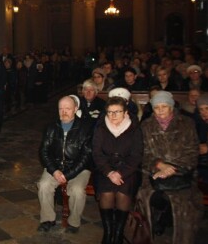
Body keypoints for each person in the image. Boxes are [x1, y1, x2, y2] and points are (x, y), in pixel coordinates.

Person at [138, 91, 202, 243]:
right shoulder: (146, 125)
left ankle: (180, 236)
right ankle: (152, 229)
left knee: (184, 204)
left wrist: (171, 170)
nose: (160, 111)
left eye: (164, 107)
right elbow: (142, 152)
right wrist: (159, 165)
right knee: (150, 196)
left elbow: (192, 152)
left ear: (171, 107)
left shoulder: (187, 124)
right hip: (152, 173)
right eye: (156, 107)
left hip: (182, 174)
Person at [37, 95, 93, 233]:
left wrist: (68, 175)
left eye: (67, 108)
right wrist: (54, 170)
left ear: (75, 109)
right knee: (43, 185)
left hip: (78, 168)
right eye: (61, 108)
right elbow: (44, 152)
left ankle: (74, 222)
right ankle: (47, 219)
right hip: (55, 166)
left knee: (77, 191)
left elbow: (86, 156)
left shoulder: (85, 128)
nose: (64, 112)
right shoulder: (51, 127)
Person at [92, 97, 143, 244]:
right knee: (106, 192)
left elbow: (136, 155)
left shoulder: (134, 128)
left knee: (123, 192)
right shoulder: (101, 127)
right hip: (105, 169)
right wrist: (109, 172)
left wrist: (121, 173)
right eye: (110, 112)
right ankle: (108, 232)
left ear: (125, 113)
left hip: (127, 170)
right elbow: (97, 153)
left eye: (117, 112)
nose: (113, 115)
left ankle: (119, 232)